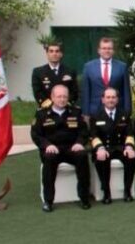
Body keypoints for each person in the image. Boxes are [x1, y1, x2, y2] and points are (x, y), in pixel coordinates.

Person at [31, 84, 91, 212]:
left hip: (71, 148)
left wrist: (80, 143)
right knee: (49, 160)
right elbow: (36, 134)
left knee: (82, 156)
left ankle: (84, 198)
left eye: (64, 96)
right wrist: (47, 145)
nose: (62, 99)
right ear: (52, 97)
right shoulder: (42, 114)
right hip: (52, 149)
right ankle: (48, 201)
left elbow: (84, 131)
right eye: (59, 96)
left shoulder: (75, 111)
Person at [89, 87, 135, 204]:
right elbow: (93, 136)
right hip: (104, 147)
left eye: (113, 97)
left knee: (131, 158)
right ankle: (106, 192)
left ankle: (127, 191)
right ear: (103, 100)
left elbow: (130, 133)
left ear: (117, 99)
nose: (111, 100)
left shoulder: (124, 114)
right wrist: (100, 148)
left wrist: (129, 147)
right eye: (108, 97)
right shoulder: (95, 115)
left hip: (120, 147)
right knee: (102, 159)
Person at [81, 37, 131, 118]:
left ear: (113, 51)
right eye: (104, 48)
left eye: (109, 48)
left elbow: (126, 91)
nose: (107, 51)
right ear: (99, 50)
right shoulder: (89, 67)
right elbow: (85, 92)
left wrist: (127, 111)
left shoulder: (122, 67)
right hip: (94, 111)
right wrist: (85, 113)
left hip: (118, 111)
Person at [31, 41, 78, 109]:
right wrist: (51, 105)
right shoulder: (38, 72)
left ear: (61, 54)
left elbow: (74, 91)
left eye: (57, 51)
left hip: (66, 109)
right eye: (51, 51)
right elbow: (37, 92)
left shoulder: (70, 71)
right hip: (47, 109)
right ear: (47, 54)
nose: (54, 54)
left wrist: (65, 103)